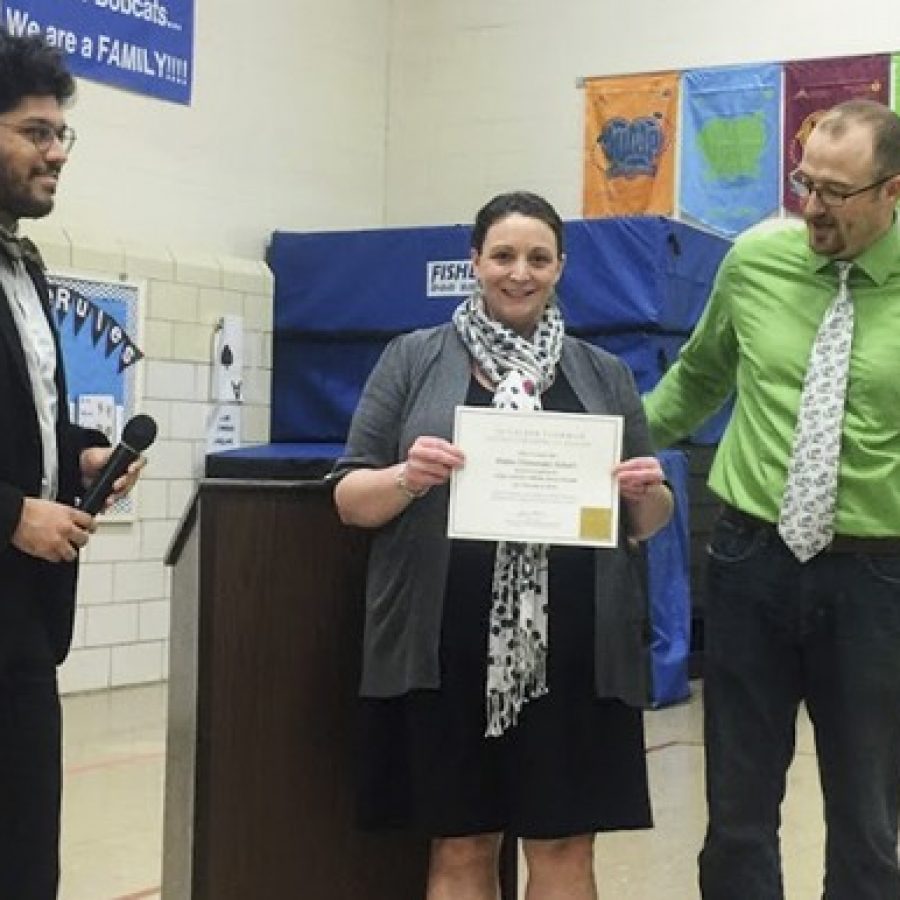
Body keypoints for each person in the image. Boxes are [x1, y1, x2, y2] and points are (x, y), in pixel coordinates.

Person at [332, 190, 673, 899]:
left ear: (561, 268)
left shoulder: (603, 374)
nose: (520, 273)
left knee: (565, 844)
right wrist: (407, 476)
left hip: (577, 650)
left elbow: (648, 519)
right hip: (444, 645)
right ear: (474, 263)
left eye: (538, 258)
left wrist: (646, 493)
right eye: (504, 256)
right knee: (461, 842)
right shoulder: (412, 358)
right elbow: (349, 500)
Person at [644, 99, 900, 900]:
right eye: (804, 183)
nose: (812, 207)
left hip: (876, 578)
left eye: (836, 192)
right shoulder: (756, 260)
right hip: (750, 559)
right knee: (738, 811)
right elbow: (698, 377)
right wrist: (607, 446)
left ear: (892, 191)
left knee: (867, 814)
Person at [0, 30, 145, 899]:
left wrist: (79, 454)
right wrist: (12, 512)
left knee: (24, 863)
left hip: (24, 627)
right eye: (33, 131)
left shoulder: (26, 263)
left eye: (63, 135)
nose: (57, 152)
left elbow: (32, 417)